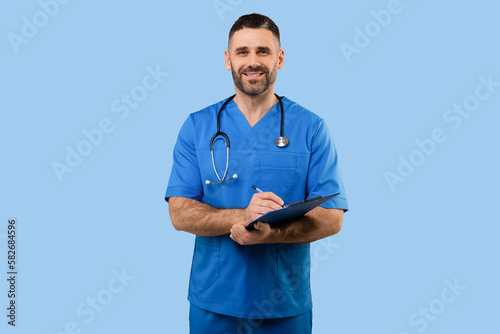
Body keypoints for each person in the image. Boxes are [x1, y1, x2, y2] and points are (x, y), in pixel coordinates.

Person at [165, 13, 348, 334]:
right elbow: (180, 213)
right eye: (242, 52)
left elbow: (332, 219)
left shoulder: (311, 128)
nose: (253, 61)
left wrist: (273, 233)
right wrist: (242, 216)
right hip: (214, 303)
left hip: (284, 306)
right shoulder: (197, 127)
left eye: (263, 51)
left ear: (279, 58)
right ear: (227, 60)